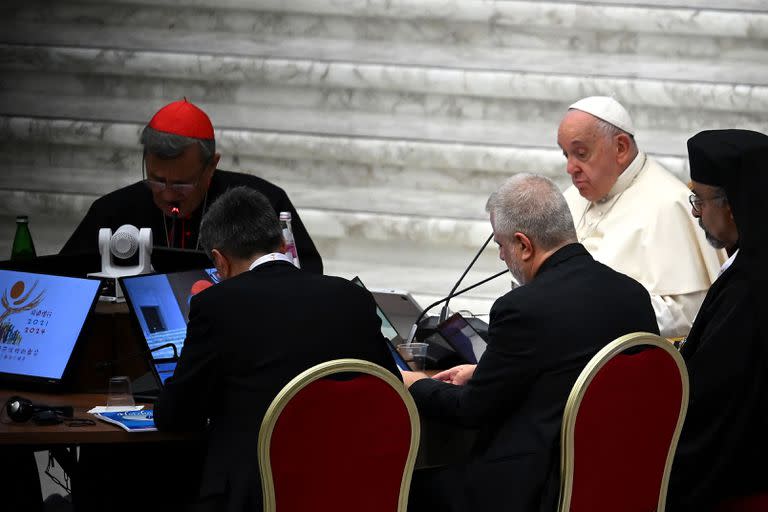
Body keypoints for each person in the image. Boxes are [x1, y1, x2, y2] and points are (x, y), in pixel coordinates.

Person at [403, 173, 658, 512]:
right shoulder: (633, 295)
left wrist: (415, 384)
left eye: (500, 245)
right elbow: (568, 369)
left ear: (524, 245)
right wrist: (483, 372)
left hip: (534, 488)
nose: (500, 257)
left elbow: (472, 411)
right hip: (617, 480)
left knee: (400, 487)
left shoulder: (521, 308)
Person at [153, 186, 400, 511]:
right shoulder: (352, 297)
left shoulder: (215, 305)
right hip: (352, 489)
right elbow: (390, 389)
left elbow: (176, 414)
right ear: (282, 244)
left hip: (256, 494)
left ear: (219, 261)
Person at [60, 99, 323, 274]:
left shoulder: (262, 202)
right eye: (156, 179)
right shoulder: (112, 210)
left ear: (211, 166)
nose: (167, 194)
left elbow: (306, 276)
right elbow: (65, 278)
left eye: (182, 184)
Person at [558, 96, 723, 338]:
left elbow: (689, 314)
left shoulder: (670, 204)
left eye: (581, 154)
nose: (570, 168)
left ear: (621, 148)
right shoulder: (572, 197)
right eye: (566, 155)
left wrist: (590, 312)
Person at [667, 129, 768, 511]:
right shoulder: (749, 264)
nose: (695, 212)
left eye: (700, 199)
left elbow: (712, 398)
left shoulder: (749, 288)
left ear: (733, 205)